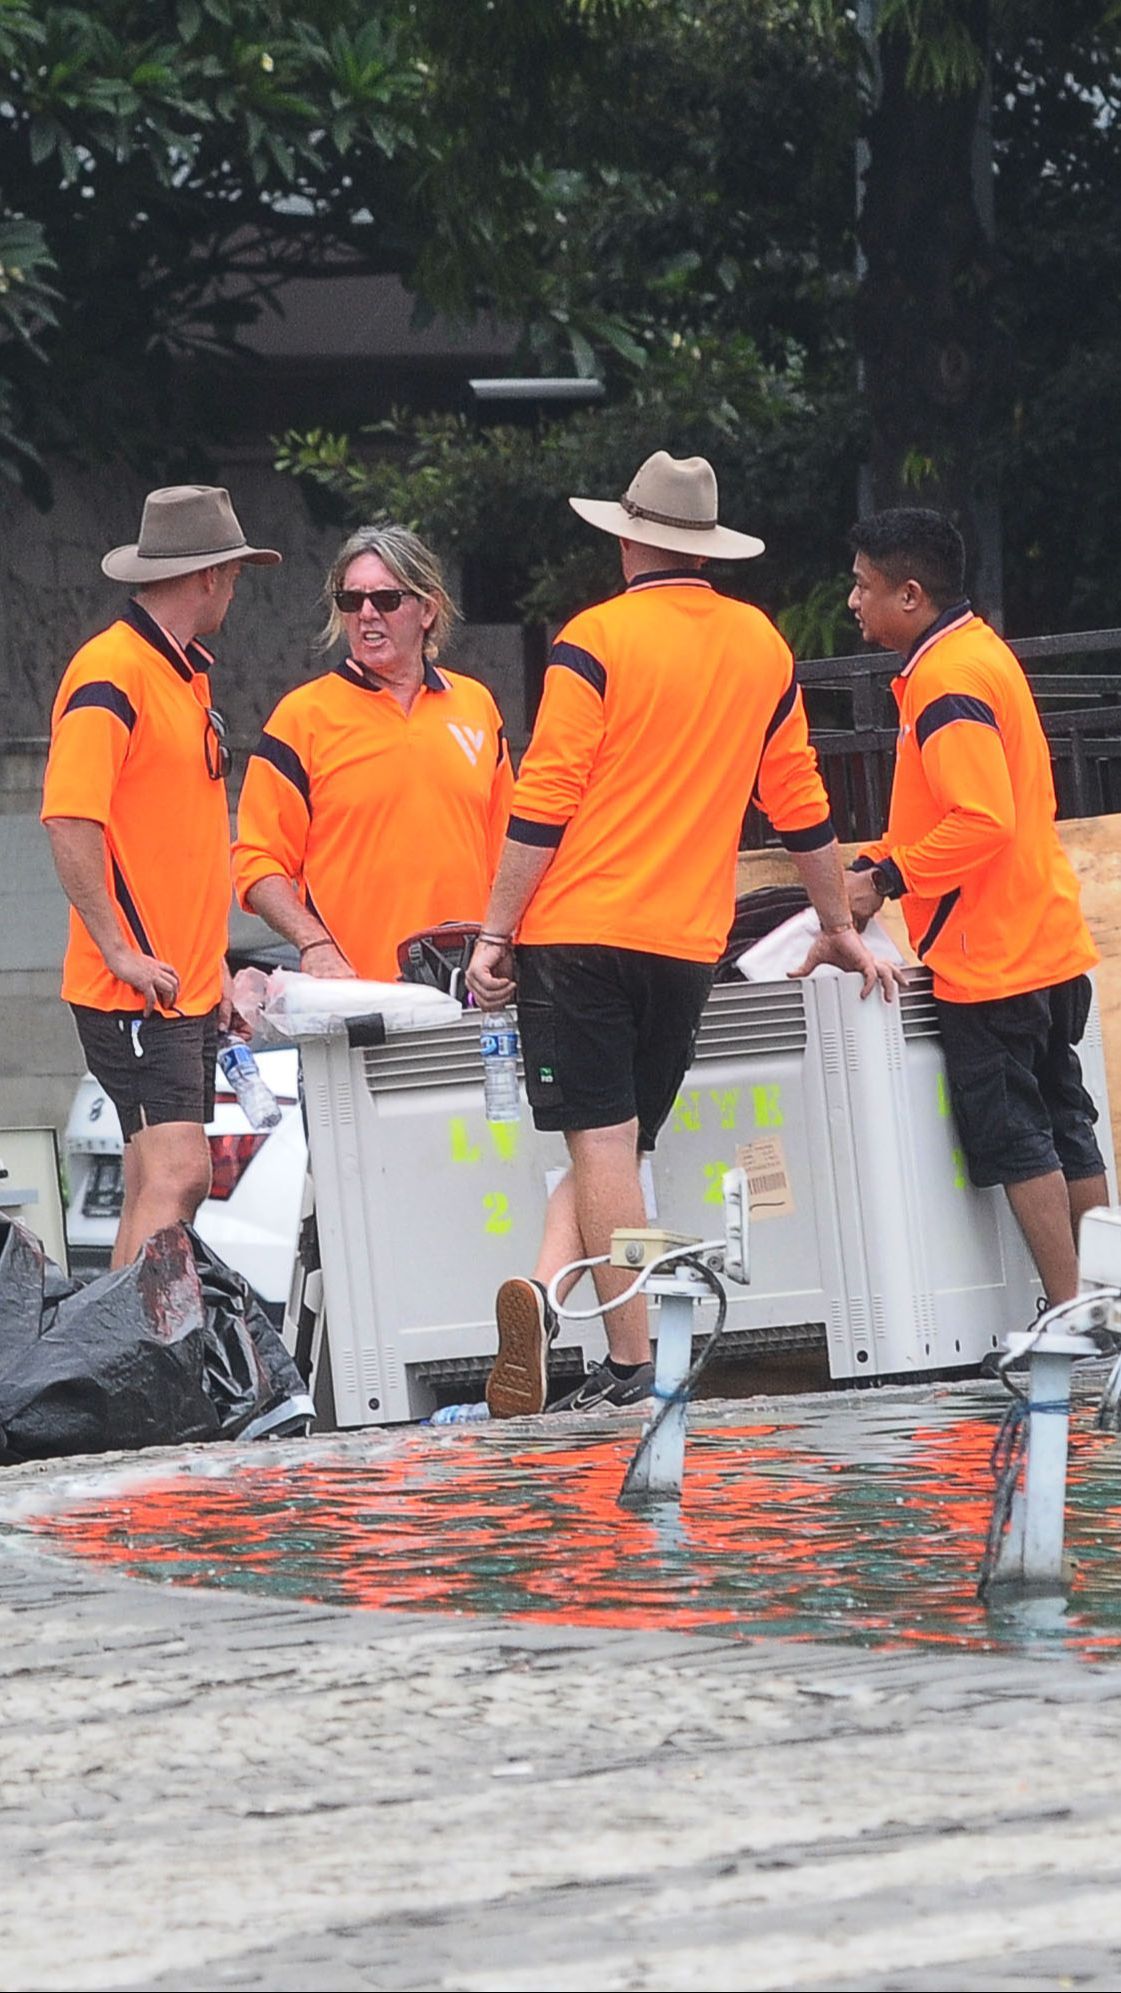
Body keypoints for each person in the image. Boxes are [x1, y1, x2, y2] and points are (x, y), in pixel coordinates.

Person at [467, 450, 900, 1417]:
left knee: (602, 1143)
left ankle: (629, 1366)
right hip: (684, 943)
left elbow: (546, 797)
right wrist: (837, 925)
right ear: (704, 550)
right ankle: (547, 1300)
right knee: (613, 1147)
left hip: (577, 929)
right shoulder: (760, 646)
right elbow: (802, 807)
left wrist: (495, 931)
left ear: (628, 539)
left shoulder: (596, 637)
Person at [845, 506, 1107, 1303]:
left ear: (910, 595)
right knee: (1067, 1123)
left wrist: (887, 881)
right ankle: (1103, 1309)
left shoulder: (944, 679)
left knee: (1019, 1136)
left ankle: (1069, 1314)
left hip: (989, 956)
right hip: (1043, 936)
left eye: (862, 586)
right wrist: (872, 860)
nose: (851, 601)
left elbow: (979, 818)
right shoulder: (977, 653)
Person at [41, 484, 281, 1266]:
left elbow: (175, 839)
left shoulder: (180, 675)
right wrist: (118, 950)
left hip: (175, 983)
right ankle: (133, 1369)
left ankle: (120, 1367)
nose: (237, 588)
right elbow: (71, 818)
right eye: (236, 573)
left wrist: (209, 966)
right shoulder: (113, 669)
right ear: (208, 576)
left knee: (157, 1174)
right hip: (137, 988)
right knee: (179, 1174)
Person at [232, 526, 513, 982]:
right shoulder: (302, 717)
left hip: (469, 991)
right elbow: (256, 861)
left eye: (386, 599)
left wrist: (505, 945)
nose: (366, 614)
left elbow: (507, 853)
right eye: (350, 600)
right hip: (356, 995)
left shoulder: (477, 706)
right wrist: (314, 944)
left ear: (428, 609)